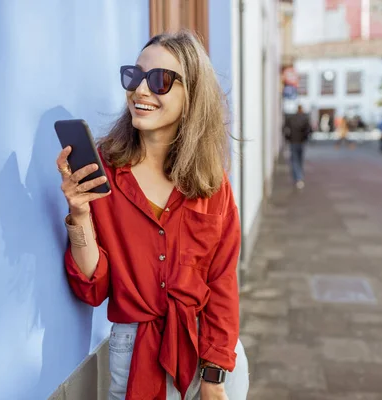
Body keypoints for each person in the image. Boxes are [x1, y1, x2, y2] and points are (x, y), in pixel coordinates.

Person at [56, 31, 249, 400]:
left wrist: (214, 375)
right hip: (134, 352)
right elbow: (92, 288)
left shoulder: (213, 184)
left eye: (160, 80)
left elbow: (222, 282)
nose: (141, 90)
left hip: (207, 350)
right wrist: (79, 214)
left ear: (191, 96)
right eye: (135, 76)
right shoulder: (105, 172)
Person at [284, 104, 311, 189]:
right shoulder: (305, 118)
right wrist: (305, 138)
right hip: (300, 142)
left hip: (293, 141)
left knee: (294, 160)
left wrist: (288, 138)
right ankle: (299, 177)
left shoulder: (291, 118)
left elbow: (284, 129)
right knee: (299, 160)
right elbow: (309, 130)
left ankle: (297, 178)